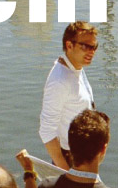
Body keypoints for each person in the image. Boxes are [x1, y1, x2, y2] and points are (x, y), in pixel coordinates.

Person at [39, 21, 99, 170]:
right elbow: (46, 131)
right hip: (71, 159)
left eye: (94, 47)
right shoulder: (60, 81)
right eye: (85, 46)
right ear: (69, 45)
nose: (91, 52)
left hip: (85, 155)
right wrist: (65, 172)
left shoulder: (76, 68)